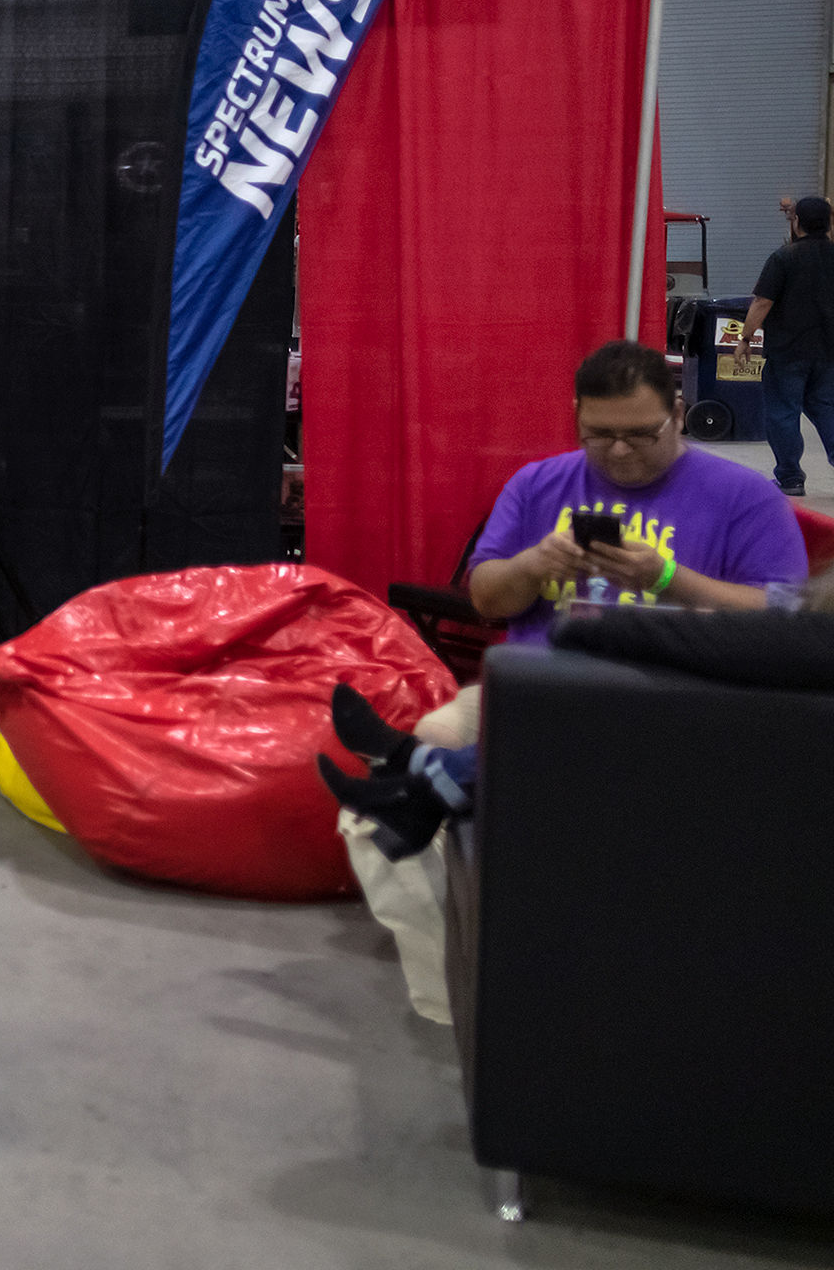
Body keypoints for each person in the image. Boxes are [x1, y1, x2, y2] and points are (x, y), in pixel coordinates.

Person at [325, 339, 807, 858]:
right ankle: (428, 790)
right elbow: (486, 601)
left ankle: (419, 771)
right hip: (534, 683)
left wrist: (667, 578)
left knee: (577, 724)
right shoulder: (538, 484)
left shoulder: (745, 497)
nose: (619, 450)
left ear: (677, 414)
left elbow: (787, 624)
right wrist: (532, 566)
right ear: (576, 415)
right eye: (599, 435)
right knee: (434, 747)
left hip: (672, 696)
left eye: (640, 435)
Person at [738, 194, 834, 495]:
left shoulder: (784, 258)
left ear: (797, 222)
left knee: (783, 412)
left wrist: (745, 338)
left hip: (788, 351)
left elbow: (762, 302)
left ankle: (791, 478)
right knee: (827, 408)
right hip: (829, 351)